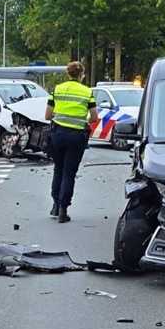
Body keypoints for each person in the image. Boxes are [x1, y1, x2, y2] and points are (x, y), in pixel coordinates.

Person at [45, 61, 98, 223]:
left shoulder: (57, 89)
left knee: (58, 169)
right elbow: (94, 117)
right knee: (69, 172)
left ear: (68, 73)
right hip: (76, 137)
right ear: (82, 74)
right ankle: (63, 209)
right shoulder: (87, 92)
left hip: (57, 135)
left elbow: (48, 115)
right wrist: (82, 120)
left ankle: (55, 204)